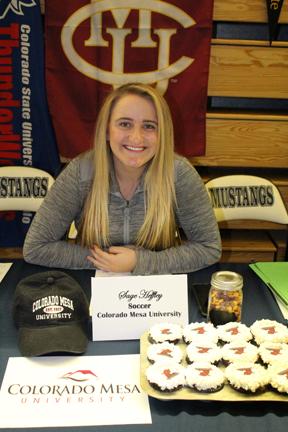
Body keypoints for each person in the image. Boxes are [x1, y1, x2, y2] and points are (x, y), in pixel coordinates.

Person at [23, 83, 221, 274]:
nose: (136, 138)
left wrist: (139, 262)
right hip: (93, 288)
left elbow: (209, 248)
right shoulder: (80, 172)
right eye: (125, 124)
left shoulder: (179, 173)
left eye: (149, 126)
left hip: (158, 290)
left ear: (163, 134)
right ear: (107, 130)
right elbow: (36, 247)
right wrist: (107, 262)